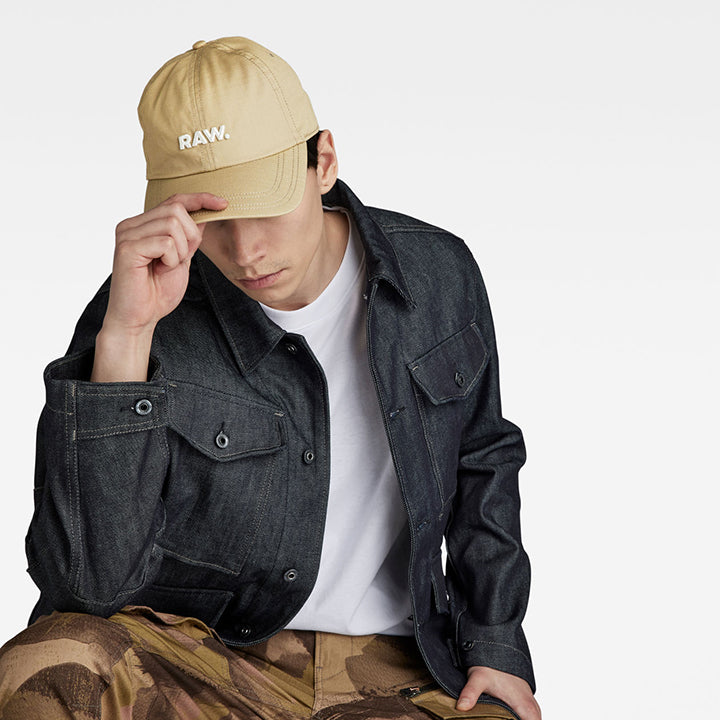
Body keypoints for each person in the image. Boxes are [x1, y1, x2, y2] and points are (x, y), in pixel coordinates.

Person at [0, 37, 540, 720]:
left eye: (265, 207)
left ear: (324, 162)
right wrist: (127, 339)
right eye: (210, 220)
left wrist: (495, 642)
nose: (246, 250)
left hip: (397, 675)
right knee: (44, 668)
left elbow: (482, 460)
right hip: (202, 664)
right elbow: (84, 589)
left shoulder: (436, 274)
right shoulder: (141, 306)